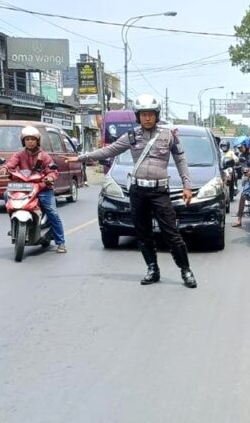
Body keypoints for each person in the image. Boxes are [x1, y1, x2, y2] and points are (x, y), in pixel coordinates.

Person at [71, 95, 197, 288]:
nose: (147, 118)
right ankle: (152, 269)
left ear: (156, 115)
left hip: (160, 191)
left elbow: (181, 160)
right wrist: (82, 157)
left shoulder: (168, 135)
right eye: (143, 114)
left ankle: (185, 270)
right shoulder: (131, 136)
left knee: (171, 233)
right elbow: (109, 151)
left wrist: (187, 186)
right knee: (143, 233)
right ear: (138, 117)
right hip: (138, 191)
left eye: (150, 114)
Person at [1, 125, 66, 254]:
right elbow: (10, 164)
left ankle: (61, 242)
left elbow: (53, 171)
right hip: (24, 187)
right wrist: (5, 169)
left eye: (32, 139)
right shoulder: (19, 154)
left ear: (37, 141)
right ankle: (14, 222)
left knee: (52, 212)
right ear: (23, 141)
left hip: (42, 188)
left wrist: (50, 178)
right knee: (6, 195)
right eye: (27, 139)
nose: (29, 141)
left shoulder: (44, 156)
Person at [233, 138, 250, 228]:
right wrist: (246, 170)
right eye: (238, 148)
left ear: (246, 144)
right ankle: (239, 219)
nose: (239, 149)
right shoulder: (242, 156)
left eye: (240, 147)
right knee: (243, 195)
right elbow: (243, 168)